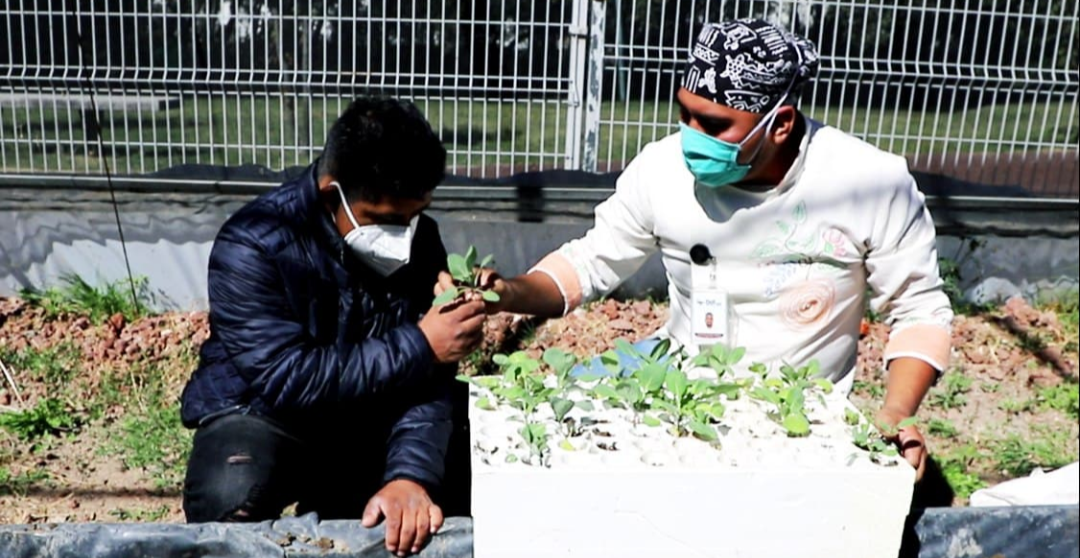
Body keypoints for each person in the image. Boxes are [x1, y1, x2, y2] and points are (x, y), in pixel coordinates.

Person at [436, 18, 953, 481]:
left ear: (781, 123)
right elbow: (590, 262)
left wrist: (895, 415)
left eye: (713, 125)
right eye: (684, 114)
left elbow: (919, 311)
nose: (690, 137)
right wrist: (507, 293)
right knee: (534, 431)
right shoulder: (662, 170)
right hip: (675, 381)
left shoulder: (867, 182)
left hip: (796, 406)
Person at [180, 97, 484, 557]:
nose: (404, 233)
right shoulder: (253, 242)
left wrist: (410, 476)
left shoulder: (422, 242)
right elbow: (287, 377)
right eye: (385, 219)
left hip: (369, 413)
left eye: (414, 214)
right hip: (266, 412)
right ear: (330, 193)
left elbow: (430, 380)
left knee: (466, 458)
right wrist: (423, 342)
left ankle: (352, 497)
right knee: (231, 492)